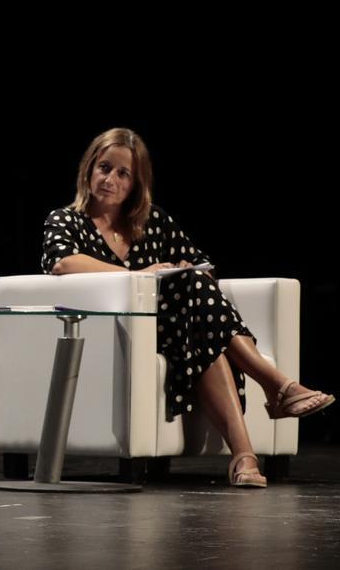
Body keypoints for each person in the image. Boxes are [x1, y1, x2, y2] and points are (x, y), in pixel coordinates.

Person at [42, 127, 334, 487]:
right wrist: (139, 275)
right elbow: (63, 263)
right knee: (202, 326)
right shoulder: (66, 220)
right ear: (89, 169)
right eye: (104, 167)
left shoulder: (152, 224)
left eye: (123, 173)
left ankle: (245, 456)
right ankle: (276, 388)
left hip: (179, 332)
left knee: (199, 309)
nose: (110, 179)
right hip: (122, 333)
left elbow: (203, 267)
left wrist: (182, 270)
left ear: (136, 183)